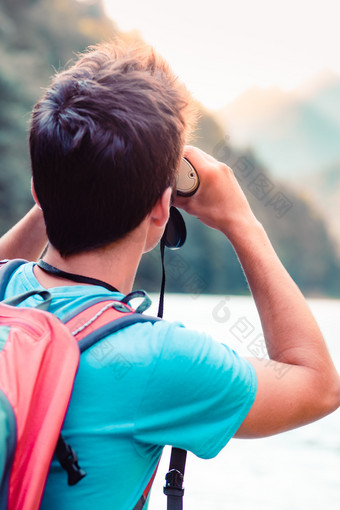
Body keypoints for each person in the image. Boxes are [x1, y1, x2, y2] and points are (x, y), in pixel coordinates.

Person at [1, 41, 339, 509]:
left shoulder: (6, 289)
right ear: (162, 209)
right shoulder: (159, 358)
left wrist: (64, 185)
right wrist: (242, 222)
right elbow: (319, 385)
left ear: (37, 190)